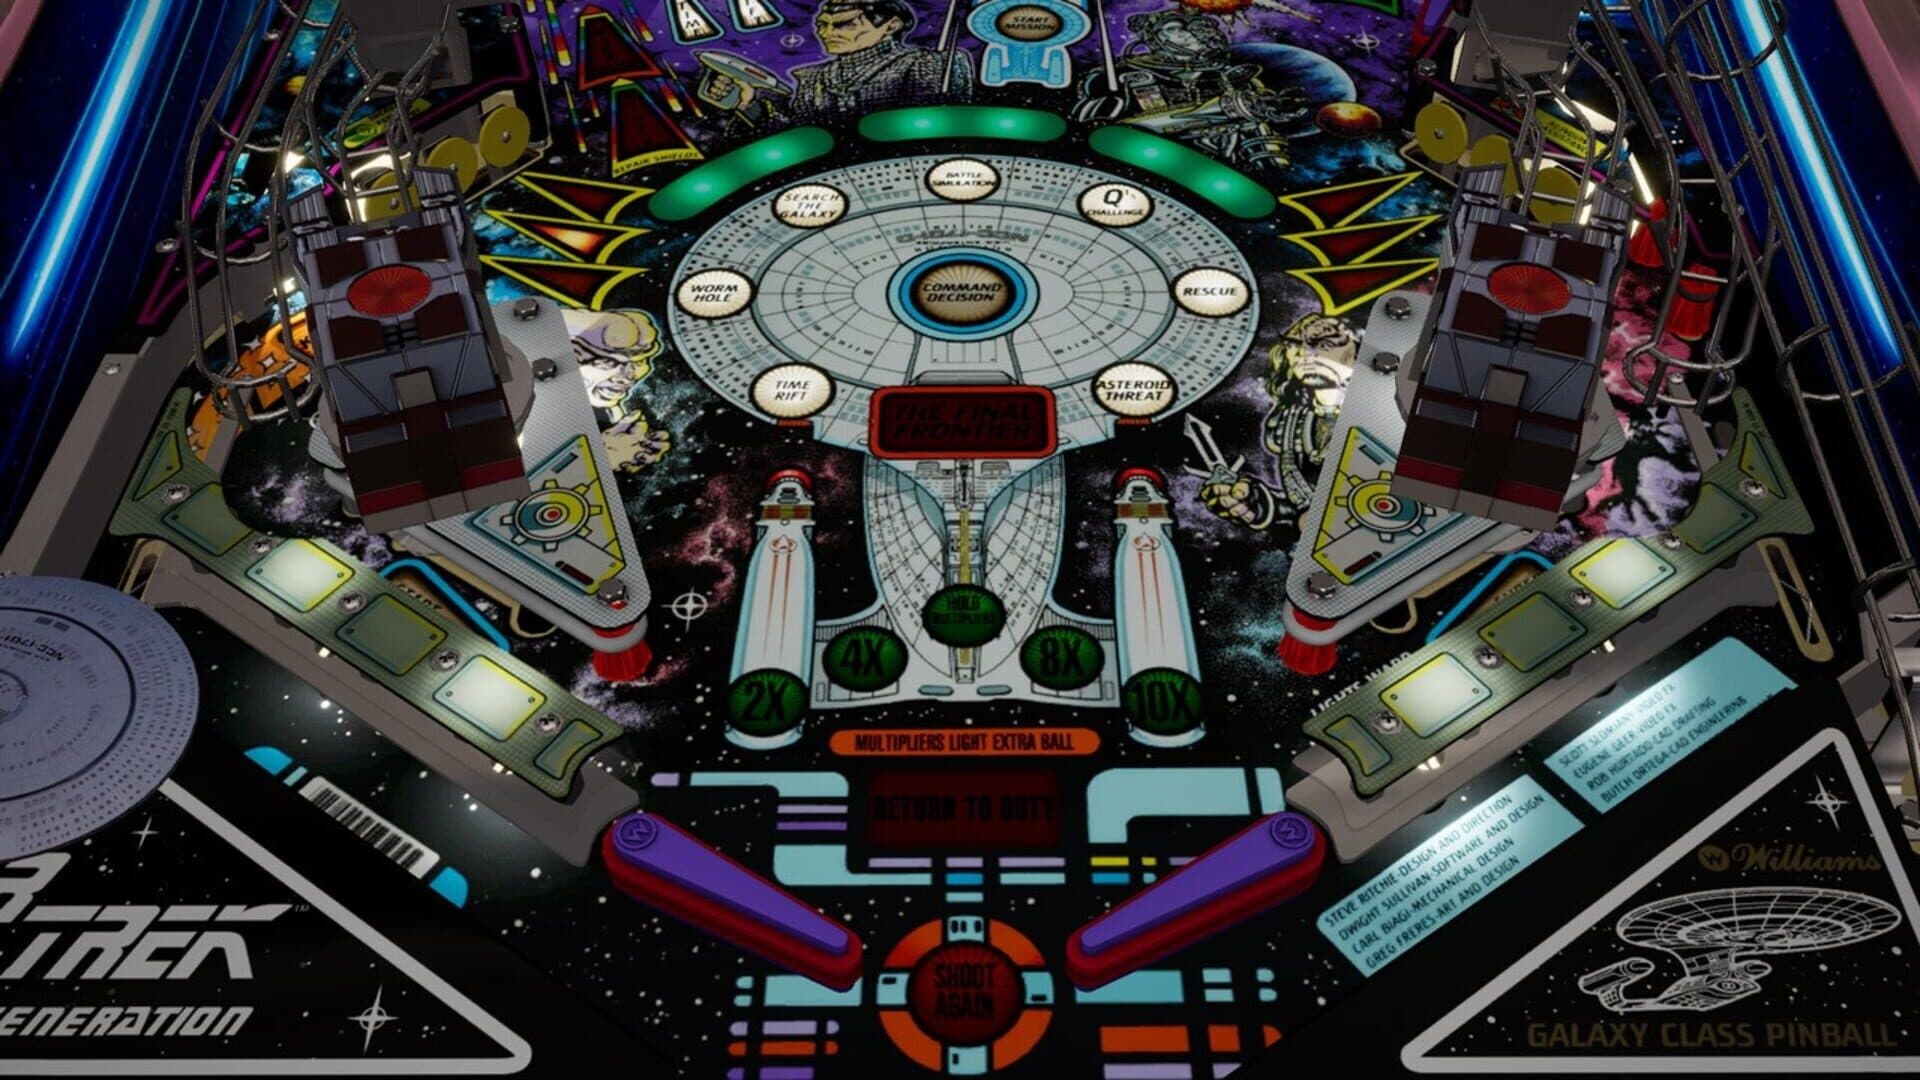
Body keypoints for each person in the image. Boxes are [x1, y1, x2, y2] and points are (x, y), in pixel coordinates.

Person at [709, 0, 972, 129]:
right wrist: (749, 104)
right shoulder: (813, 79)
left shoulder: (927, 65)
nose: (828, 33)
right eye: (822, 25)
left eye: (845, 24)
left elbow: (939, 131)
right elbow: (798, 137)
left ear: (891, 25)